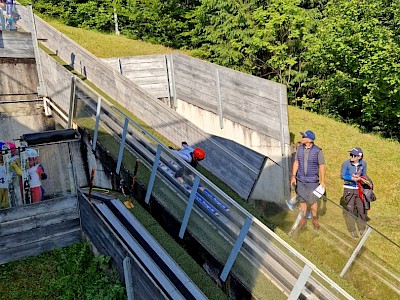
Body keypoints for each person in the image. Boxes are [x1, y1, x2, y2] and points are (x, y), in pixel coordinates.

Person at [290, 130, 326, 230]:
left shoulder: (318, 151)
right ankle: (304, 217)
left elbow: (322, 166)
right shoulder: (299, 149)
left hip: (313, 180)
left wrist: (323, 181)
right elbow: (296, 162)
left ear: (309, 140)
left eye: (303, 137)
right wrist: (293, 176)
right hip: (300, 179)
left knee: (313, 200)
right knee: (302, 199)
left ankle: (315, 219)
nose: (301, 138)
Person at [341, 147, 368, 238]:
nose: (351, 156)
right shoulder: (346, 164)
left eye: (353, 155)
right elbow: (343, 175)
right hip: (349, 189)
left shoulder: (363, 164)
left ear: (359, 157)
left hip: (359, 189)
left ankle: (362, 228)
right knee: (350, 210)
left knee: (361, 209)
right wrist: (352, 178)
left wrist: (364, 180)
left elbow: (364, 174)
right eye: (350, 154)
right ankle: (352, 229)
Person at [0, 141, 22, 208]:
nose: (2, 155)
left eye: (4, 153)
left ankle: (6, 212)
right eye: (1, 153)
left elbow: (17, 169)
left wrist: (23, 174)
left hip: (7, 185)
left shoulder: (10, 162)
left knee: (6, 201)